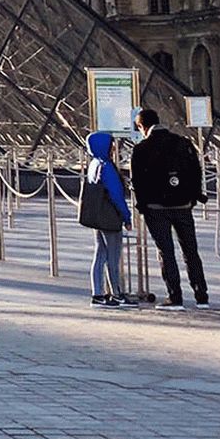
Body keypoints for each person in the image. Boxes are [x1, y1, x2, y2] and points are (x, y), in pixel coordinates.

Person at [130, 108, 211, 309]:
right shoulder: (183, 143)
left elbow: (137, 181)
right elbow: (196, 172)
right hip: (183, 204)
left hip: (156, 207)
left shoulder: (141, 149)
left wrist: (142, 205)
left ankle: (175, 297)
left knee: (166, 252)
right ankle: (201, 295)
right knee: (191, 250)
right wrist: (193, 198)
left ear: (142, 126)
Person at [81, 131, 135, 308]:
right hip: (110, 217)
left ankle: (97, 294)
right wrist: (126, 217)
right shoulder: (107, 166)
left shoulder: (94, 164)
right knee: (113, 256)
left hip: (98, 216)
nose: (114, 147)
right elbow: (116, 195)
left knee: (100, 254)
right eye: (111, 144)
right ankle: (117, 293)